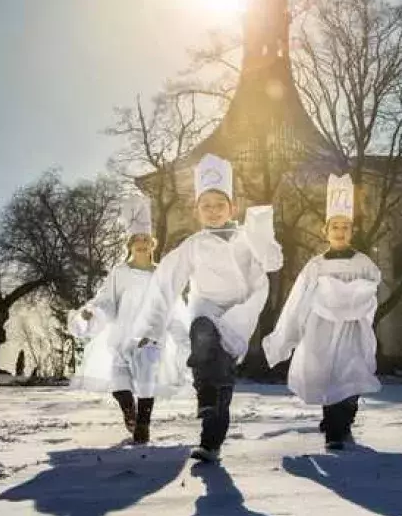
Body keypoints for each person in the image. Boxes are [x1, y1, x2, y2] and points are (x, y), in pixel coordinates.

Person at [133, 153, 282, 462]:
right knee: (202, 333)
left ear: (232, 207)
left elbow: (272, 262)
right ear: (197, 210)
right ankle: (204, 393)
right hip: (206, 310)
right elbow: (165, 282)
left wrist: (262, 233)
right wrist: (150, 330)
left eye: (219, 205)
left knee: (223, 384)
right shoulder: (194, 244)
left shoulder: (246, 239)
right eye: (206, 206)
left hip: (238, 316)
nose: (213, 211)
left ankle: (211, 443)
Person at [263, 173, 382, 450]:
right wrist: (288, 334)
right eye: (335, 226)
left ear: (352, 230)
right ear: (325, 231)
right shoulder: (316, 265)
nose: (340, 231)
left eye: (345, 226)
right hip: (322, 329)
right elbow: (298, 298)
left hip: (352, 329)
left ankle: (342, 422)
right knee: (328, 376)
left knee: (350, 376)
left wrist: (354, 299)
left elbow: (371, 290)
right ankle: (333, 431)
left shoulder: (363, 263)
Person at [68, 195, 188, 445]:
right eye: (137, 240)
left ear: (152, 244)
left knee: (146, 377)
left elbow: (172, 306)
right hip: (123, 334)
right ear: (130, 245)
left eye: (146, 240)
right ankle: (129, 412)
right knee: (119, 380)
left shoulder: (161, 274)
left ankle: (143, 424)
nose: (142, 244)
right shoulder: (119, 273)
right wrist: (94, 313)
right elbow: (107, 301)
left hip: (150, 335)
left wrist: (182, 335)